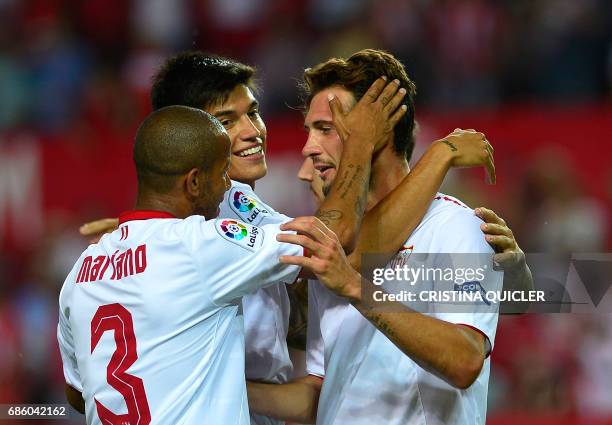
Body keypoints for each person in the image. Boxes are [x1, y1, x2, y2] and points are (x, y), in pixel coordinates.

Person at [78, 51, 504, 425]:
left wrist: (519, 275)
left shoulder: (456, 225)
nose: (254, 131)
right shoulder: (215, 234)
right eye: (227, 121)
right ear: (187, 136)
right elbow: (337, 253)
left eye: (253, 112)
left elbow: (334, 296)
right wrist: (440, 155)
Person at [58, 79, 408, 423]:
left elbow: (78, 391)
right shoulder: (205, 243)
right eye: (221, 173)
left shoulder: (81, 270)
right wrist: (370, 144)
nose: (228, 184)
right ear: (193, 181)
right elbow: (332, 240)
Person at [246, 49, 532, 425]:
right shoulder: (335, 245)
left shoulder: (453, 226)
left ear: (377, 132)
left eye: (326, 129)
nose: (308, 148)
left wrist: (354, 286)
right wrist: (227, 385)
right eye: (309, 130)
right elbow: (323, 391)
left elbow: (464, 360)